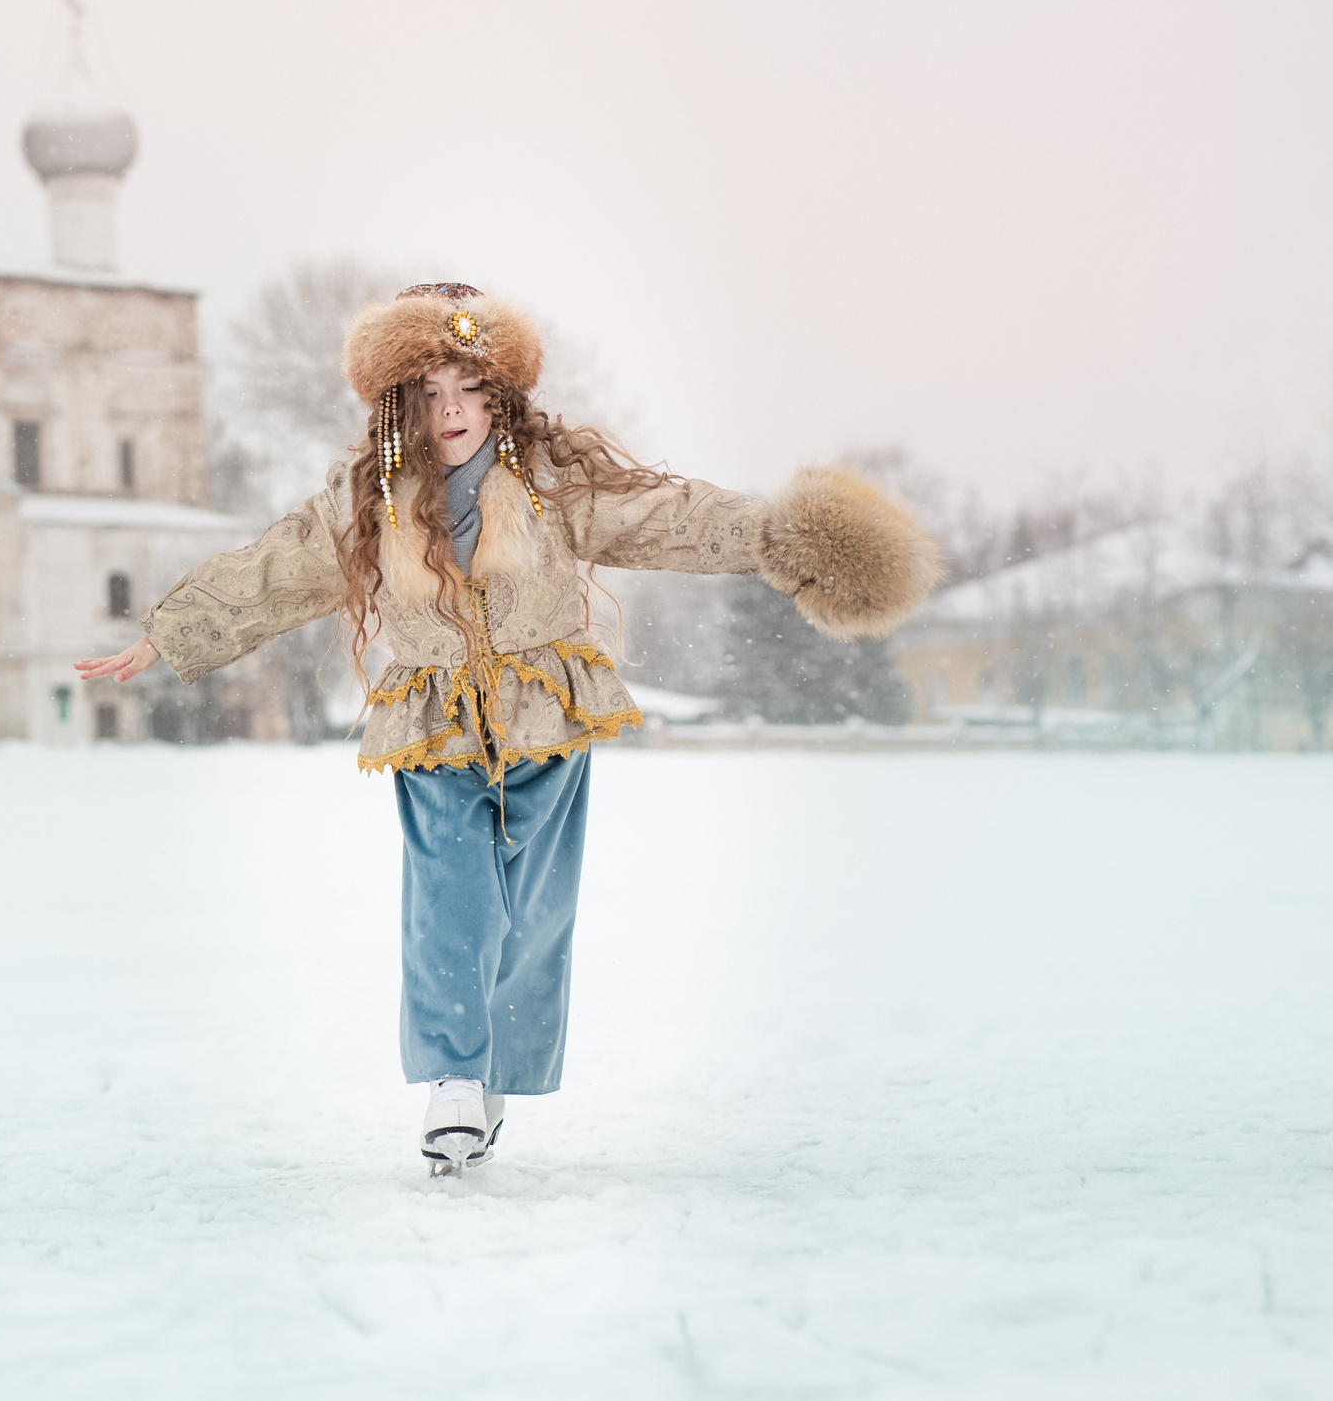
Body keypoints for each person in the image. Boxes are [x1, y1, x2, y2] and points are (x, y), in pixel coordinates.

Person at [74, 283, 939, 1176]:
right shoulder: (370, 494)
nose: (451, 412)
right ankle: (451, 1074)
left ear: (501, 393)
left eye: (468, 388)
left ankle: (492, 1080)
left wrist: (779, 538)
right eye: (430, 393)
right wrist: (168, 634)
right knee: (455, 893)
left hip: (544, 716)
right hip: (436, 726)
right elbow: (276, 568)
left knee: (530, 915)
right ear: (401, 404)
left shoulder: (555, 479)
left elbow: (667, 514)